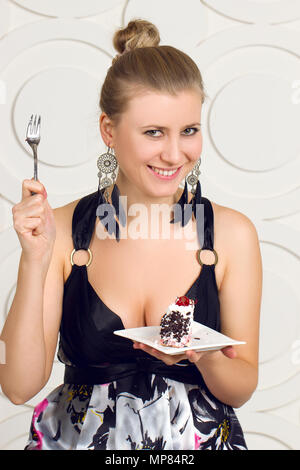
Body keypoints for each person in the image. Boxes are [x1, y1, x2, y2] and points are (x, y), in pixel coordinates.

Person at [0, 19, 262, 450]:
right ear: (109, 130)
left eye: (189, 131)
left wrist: (202, 355)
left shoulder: (231, 235)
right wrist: (35, 257)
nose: (175, 153)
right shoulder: (64, 230)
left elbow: (242, 385)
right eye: (153, 132)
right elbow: (17, 386)